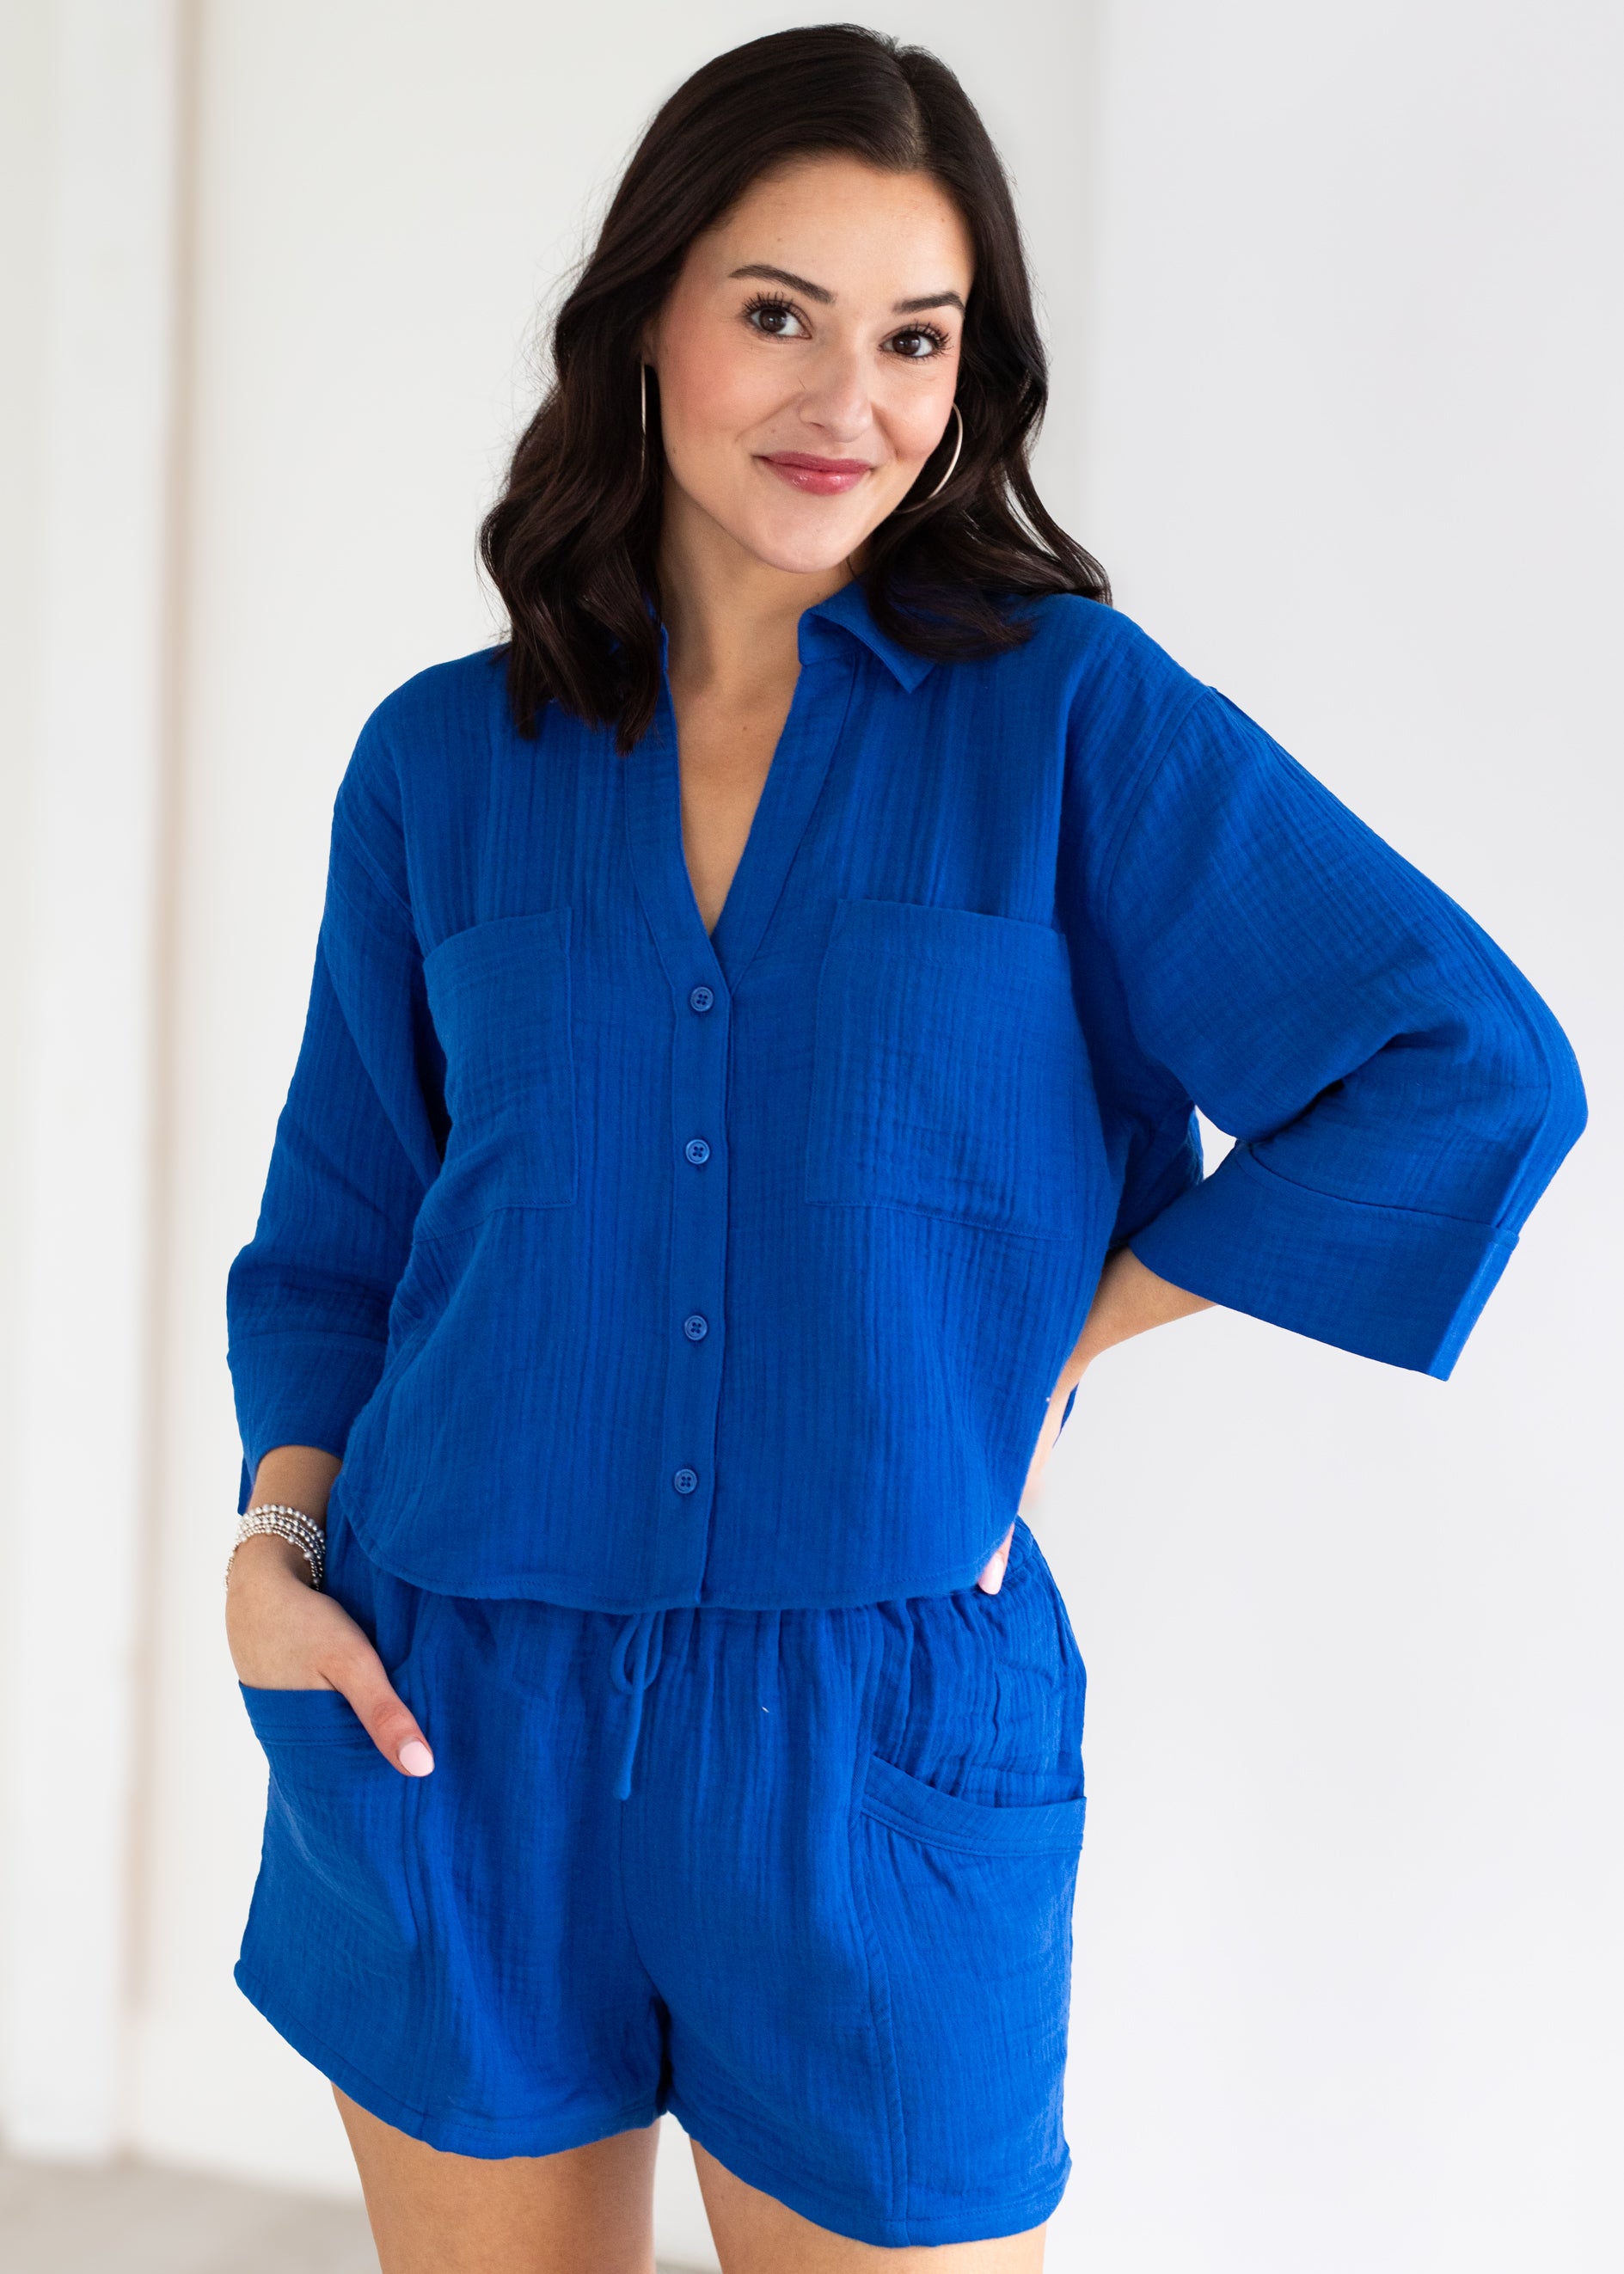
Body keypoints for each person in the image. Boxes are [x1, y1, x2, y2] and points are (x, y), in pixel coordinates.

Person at [221, 24, 1585, 2274]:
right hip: (443, 1700)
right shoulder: (437, 764)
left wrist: (1071, 1316)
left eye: (913, 337)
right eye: (776, 313)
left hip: (872, 1743)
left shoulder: (1067, 720)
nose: (844, 400)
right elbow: (343, 1231)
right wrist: (273, 1545)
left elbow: (1463, 1062)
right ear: (645, 315)